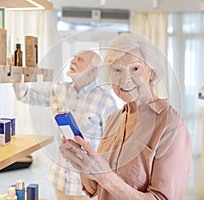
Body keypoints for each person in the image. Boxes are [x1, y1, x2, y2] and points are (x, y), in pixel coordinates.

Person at [59, 33, 192, 200]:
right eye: (117, 70)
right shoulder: (114, 119)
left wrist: (104, 176)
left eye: (135, 69)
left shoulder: (171, 125)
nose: (125, 79)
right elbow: (94, 188)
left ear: (151, 72)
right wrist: (81, 161)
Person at [13, 50, 118, 200]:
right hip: (60, 178)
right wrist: (16, 73)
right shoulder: (59, 90)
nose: (73, 61)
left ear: (93, 70)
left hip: (89, 184)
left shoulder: (106, 101)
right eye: (74, 58)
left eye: (80, 59)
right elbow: (25, 95)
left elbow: (113, 145)